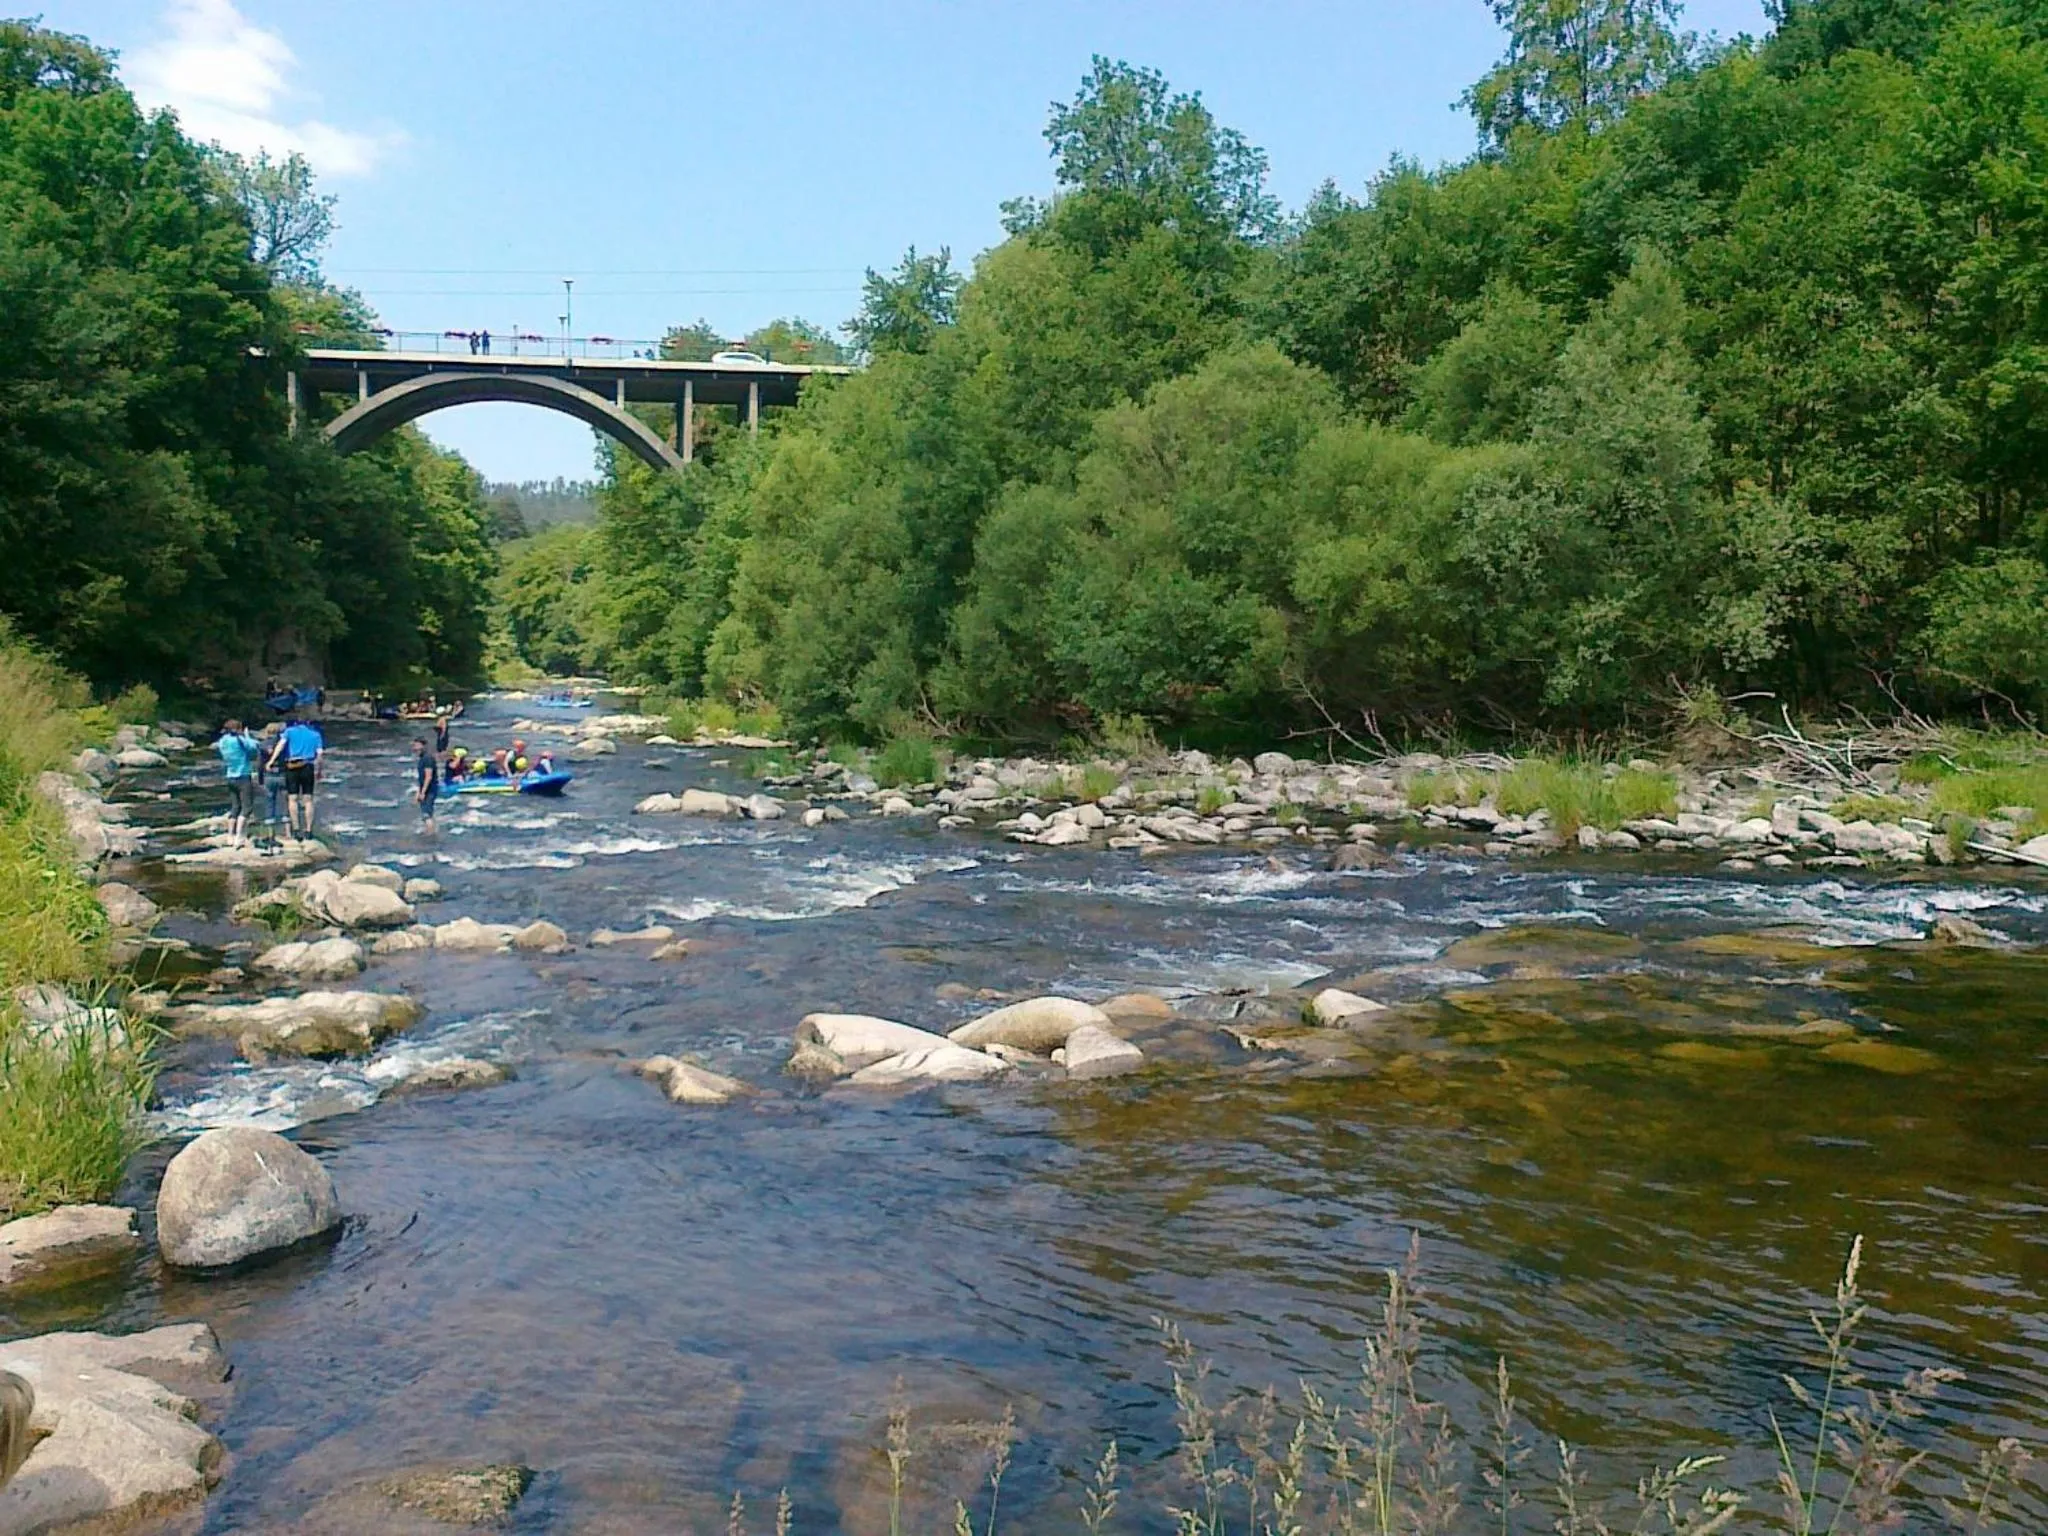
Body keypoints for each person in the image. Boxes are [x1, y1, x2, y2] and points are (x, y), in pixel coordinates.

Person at [266, 714, 325, 838]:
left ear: (295, 723)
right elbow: (320, 755)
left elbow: (280, 746)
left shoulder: (289, 732)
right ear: (308, 722)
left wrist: (271, 761)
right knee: (308, 800)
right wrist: (319, 771)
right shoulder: (315, 734)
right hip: (308, 766)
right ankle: (308, 830)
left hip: (292, 766)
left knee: (292, 799)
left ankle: (296, 829)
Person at [214, 717, 261, 845]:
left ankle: (230, 836)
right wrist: (246, 735)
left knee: (235, 807)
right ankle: (240, 837)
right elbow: (253, 747)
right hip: (243, 776)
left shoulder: (223, 741)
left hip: (230, 776)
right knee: (246, 808)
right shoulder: (239, 740)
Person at [412, 737, 440, 830]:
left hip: (430, 790)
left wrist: (423, 792)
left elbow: (428, 776)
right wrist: (418, 792)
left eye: (417, 746)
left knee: (426, 815)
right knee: (427, 814)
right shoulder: (422, 759)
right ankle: (431, 830)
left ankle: (430, 834)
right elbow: (422, 778)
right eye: (414, 746)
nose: (415, 748)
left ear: (424, 746)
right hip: (426, 790)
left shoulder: (427, 759)